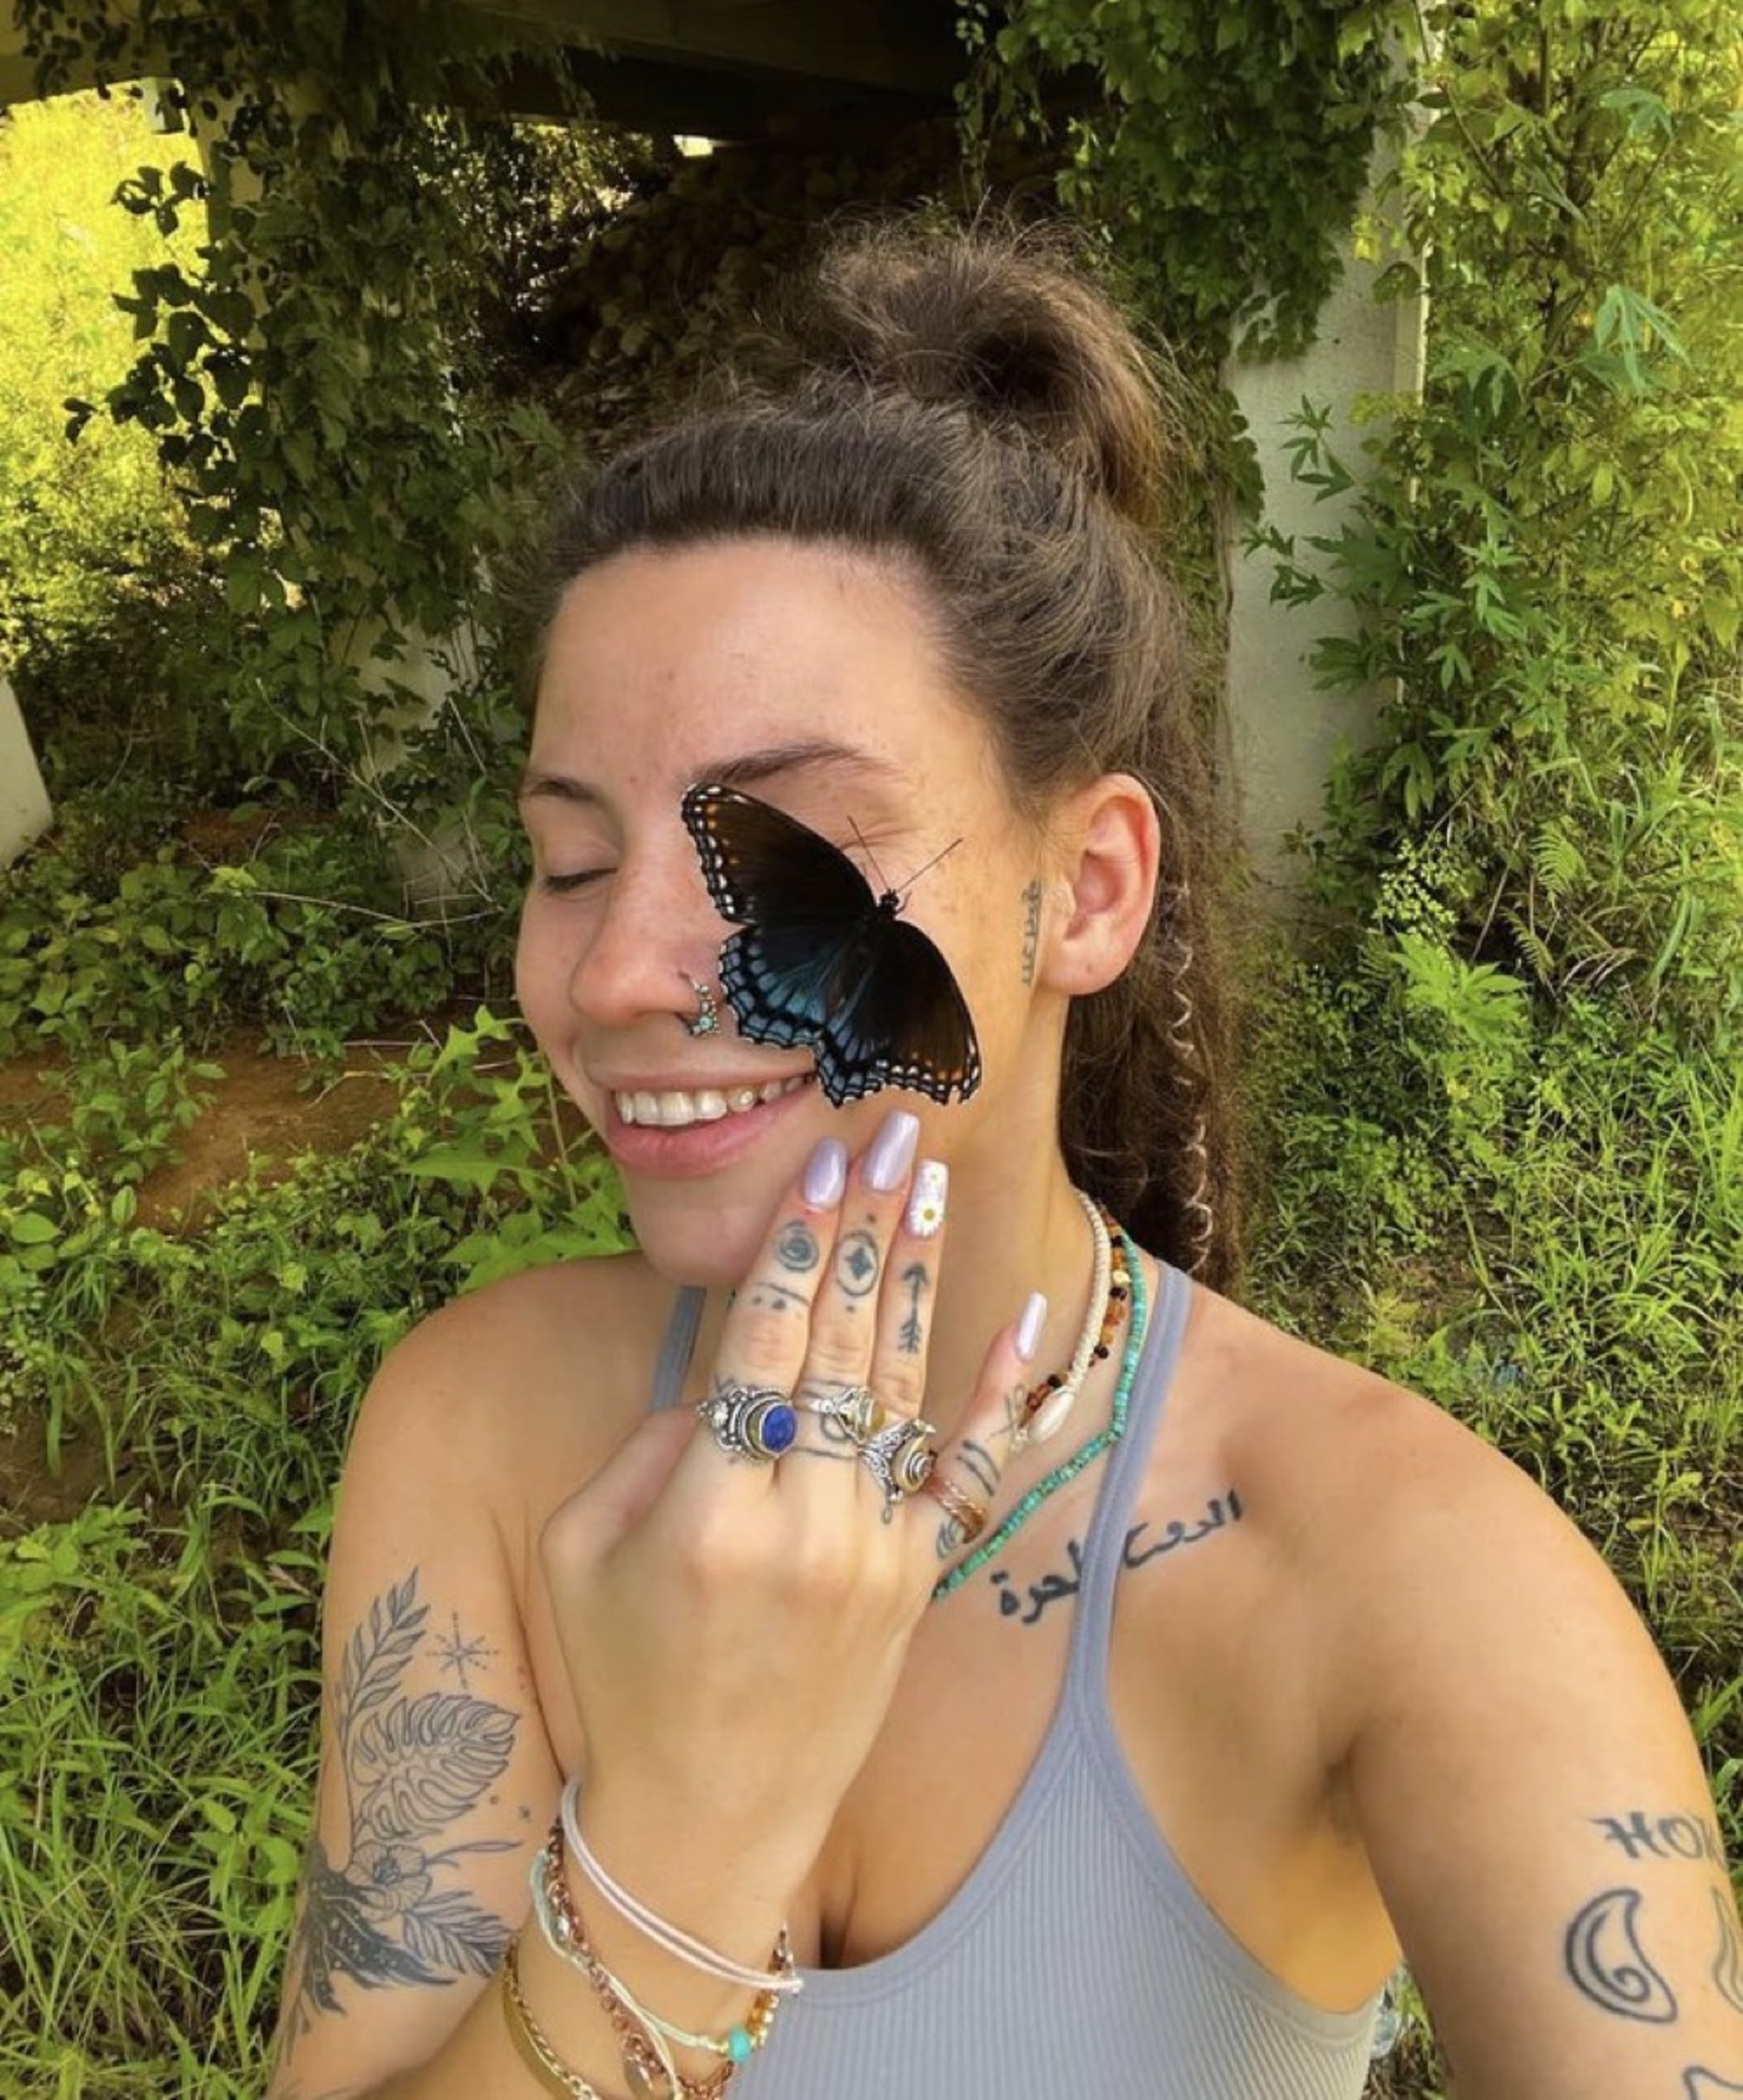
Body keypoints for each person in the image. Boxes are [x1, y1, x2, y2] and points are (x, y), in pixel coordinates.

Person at [268, 220, 1743, 2100]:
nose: (618, 972)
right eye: (570, 861)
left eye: (786, 848)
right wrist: (679, 1842)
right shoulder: (481, 1430)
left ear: (1090, 890)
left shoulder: (1411, 1578)